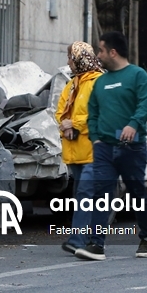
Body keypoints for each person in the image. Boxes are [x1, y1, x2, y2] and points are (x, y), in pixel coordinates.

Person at [76, 31, 147, 261]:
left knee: (137, 193)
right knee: (101, 193)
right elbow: (93, 112)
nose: (98, 55)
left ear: (113, 52)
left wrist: (133, 124)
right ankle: (96, 245)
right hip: (104, 148)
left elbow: (145, 105)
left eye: (100, 50)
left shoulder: (138, 76)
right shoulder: (101, 82)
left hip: (132, 147)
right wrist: (96, 138)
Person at [54, 41, 102, 255]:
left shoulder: (98, 82)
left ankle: (78, 240)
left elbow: (100, 114)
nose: (68, 62)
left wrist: (74, 124)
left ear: (80, 59)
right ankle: (92, 240)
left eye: (71, 58)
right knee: (85, 196)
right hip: (75, 153)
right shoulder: (73, 84)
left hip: (94, 151)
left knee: (85, 194)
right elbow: (60, 111)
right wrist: (64, 126)